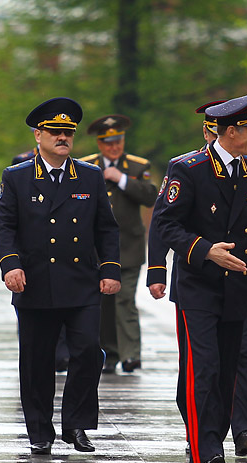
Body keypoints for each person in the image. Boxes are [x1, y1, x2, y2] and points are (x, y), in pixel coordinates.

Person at [154, 89, 247, 463]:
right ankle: (204, 449)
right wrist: (206, 250)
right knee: (203, 367)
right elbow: (166, 224)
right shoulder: (188, 168)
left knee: (229, 370)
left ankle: (214, 438)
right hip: (199, 287)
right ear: (228, 132)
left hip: (239, 289)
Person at [0, 97, 121, 455]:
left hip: (80, 282)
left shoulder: (90, 176)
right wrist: (10, 264)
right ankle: (39, 429)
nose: (63, 138)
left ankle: (77, 425)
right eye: (55, 132)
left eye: (68, 133)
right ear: (38, 135)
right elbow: (4, 225)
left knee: (88, 353)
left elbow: (106, 229)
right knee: (36, 359)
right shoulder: (16, 177)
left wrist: (110, 268)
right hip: (34, 282)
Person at [81, 115, 155, 373]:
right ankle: (109, 355)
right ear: (100, 144)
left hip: (128, 249)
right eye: (108, 143)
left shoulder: (137, 166)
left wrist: (121, 178)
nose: (114, 147)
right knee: (103, 303)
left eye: (118, 141)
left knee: (125, 300)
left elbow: (150, 195)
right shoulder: (86, 167)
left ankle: (131, 355)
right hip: (97, 250)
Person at [11, 147, 70, 373]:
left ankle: (62, 353)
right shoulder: (20, 167)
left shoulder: (80, 170)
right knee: (31, 318)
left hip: (64, 256)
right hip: (34, 255)